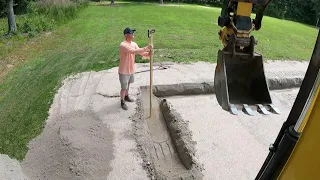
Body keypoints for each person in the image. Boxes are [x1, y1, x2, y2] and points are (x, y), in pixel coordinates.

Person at [118, 27, 153, 110]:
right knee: (124, 87)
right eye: (131, 32)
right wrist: (147, 47)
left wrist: (148, 54)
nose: (133, 34)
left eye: (133, 32)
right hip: (123, 71)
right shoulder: (123, 45)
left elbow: (139, 52)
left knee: (128, 84)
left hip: (131, 69)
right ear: (126, 35)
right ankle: (122, 101)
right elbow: (133, 51)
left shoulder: (134, 44)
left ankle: (126, 96)